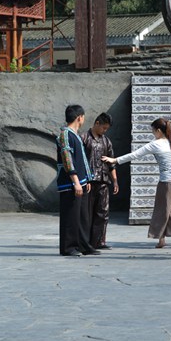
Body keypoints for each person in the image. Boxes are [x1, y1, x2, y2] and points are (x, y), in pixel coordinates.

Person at [102, 118, 171, 249]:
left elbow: (134, 155)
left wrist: (115, 160)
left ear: (158, 130)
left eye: (153, 131)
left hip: (166, 182)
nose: (152, 133)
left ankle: (161, 240)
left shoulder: (155, 144)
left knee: (163, 210)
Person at [56, 104, 98, 256]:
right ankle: (68, 248)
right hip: (70, 184)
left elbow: (81, 160)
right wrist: (75, 181)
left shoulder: (76, 136)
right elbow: (67, 159)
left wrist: (86, 180)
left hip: (81, 182)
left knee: (82, 217)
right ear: (80, 117)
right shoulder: (65, 134)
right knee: (70, 216)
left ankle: (83, 245)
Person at [81, 112, 118, 250]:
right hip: (89, 181)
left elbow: (111, 162)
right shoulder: (84, 138)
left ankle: (99, 241)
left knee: (103, 212)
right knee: (87, 213)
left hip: (103, 181)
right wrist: (84, 180)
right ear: (97, 123)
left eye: (107, 129)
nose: (105, 131)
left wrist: (115, 181)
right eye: (104, 128)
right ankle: (87, 241)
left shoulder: (106, 141)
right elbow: (80, 161)